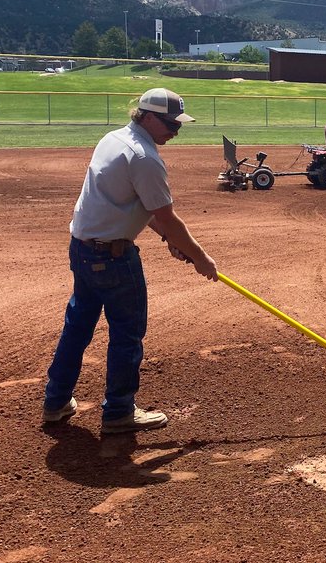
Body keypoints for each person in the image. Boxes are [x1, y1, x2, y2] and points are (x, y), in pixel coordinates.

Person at [42, 87, 218, 434]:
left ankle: (56, 401)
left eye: (179, 125)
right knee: (127, 333)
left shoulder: (114, 139)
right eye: (170, 124)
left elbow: (132, 205)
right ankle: (120, 411)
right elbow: (166, 216)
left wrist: (168, 239)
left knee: (77, 327)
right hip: (113, 257)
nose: (175, 131)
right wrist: (201, 258)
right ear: (148, 117)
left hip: (82, 248)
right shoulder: (144, 158)